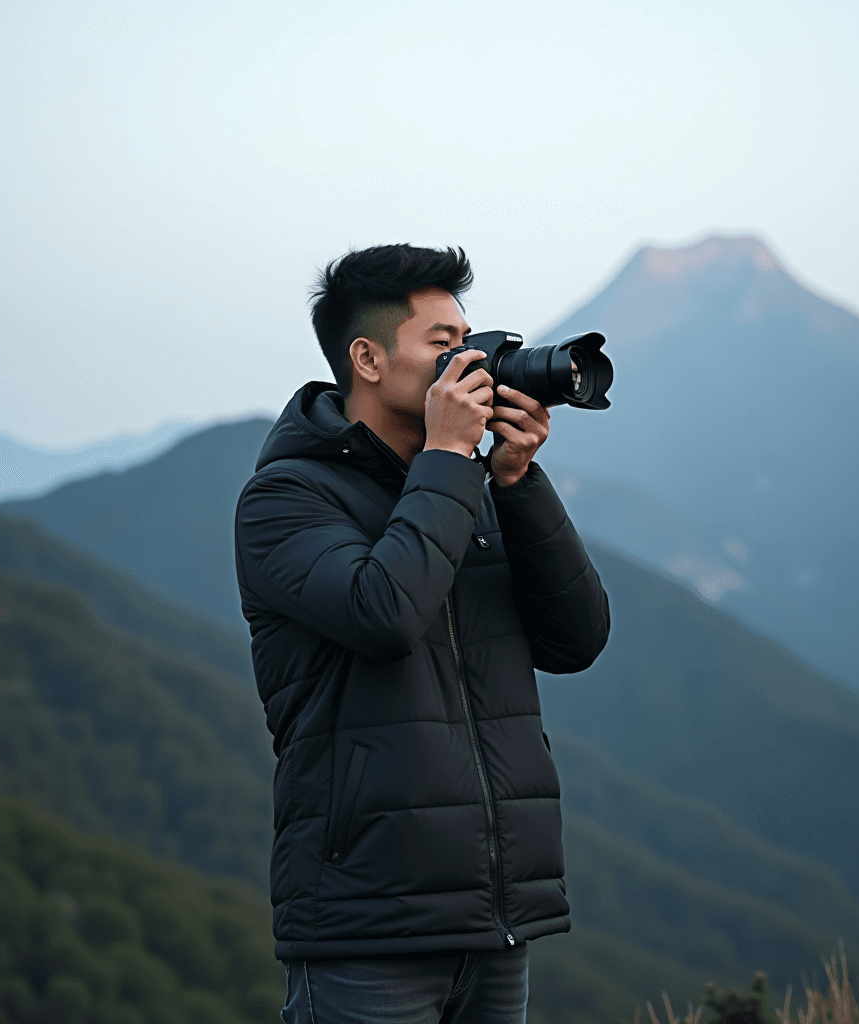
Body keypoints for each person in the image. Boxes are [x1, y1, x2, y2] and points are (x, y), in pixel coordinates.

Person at [233, 244, 610, 1023]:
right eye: (442, 344)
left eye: (468, 340)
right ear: (366, 359)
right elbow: (384, 613)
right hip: (364, 926)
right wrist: (446, 455)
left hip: (494, 921)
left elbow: (577, 641)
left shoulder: (460, 489)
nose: (467, 360)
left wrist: (515, 480)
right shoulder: (285, 500)